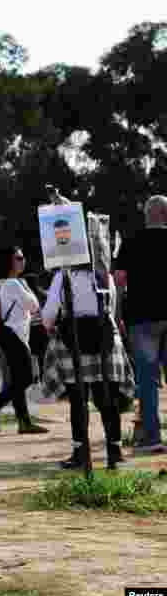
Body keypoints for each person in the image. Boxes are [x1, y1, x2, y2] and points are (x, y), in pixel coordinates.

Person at [41, 265, 133, 469]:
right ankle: (115, 452)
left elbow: (48, 315)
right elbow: (113, 310)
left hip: (74, 341)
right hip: (105, 340)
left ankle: (80, 453)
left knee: (78, 400)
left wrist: (50, 327)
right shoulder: (104, 276)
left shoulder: (62, 277)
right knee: (107, 400)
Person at [114, 195, 167, 455]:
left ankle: (152, 438)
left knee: (146, 380)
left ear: (147, 216)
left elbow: (120, 280)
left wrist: (119, 313)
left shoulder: (131, 242)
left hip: (142, 318)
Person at [0, 248, 49, 435]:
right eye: (18, 258)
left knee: (19, 378)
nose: (22, 261)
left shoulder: (4, 283)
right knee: (25, 378)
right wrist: (26, 287)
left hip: (11, 335)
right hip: (13, 335)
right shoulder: (13, 284)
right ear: (9, 262)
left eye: (22, 257)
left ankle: (24, 422)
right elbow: (34, 306)